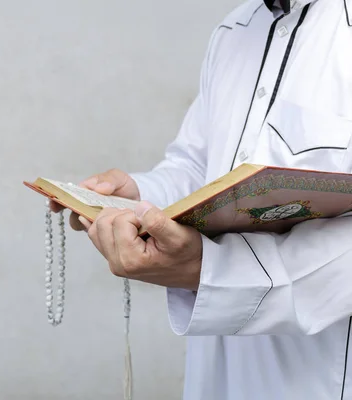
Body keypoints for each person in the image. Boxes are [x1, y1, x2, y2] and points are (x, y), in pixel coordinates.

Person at [51, 0, 352, 398]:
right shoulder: (235, 31)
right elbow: (198, 167)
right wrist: (139, 199)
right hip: (219, 372)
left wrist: (207, 270)